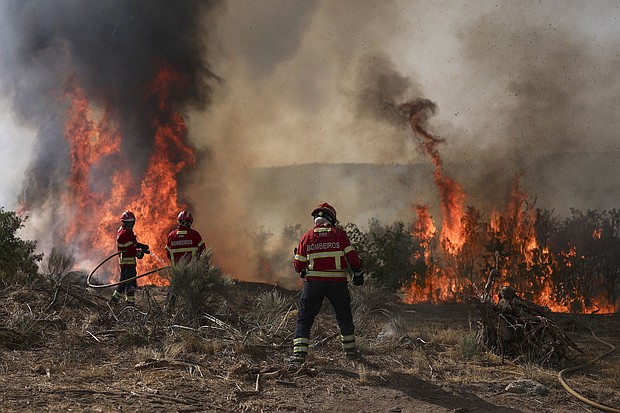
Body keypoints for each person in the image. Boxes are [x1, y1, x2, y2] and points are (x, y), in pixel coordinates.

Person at [291, 202, 365, 363]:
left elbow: (298, 265)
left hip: (313, 284)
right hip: (337, 283)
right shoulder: (340, 234)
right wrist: (358, 274)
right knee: (344, 317)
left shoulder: (307, 236)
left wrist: (302, 267)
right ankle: (351, 353)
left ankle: (298, 356)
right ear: (332, 218)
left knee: (305, 318)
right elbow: (353, 258)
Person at [165, 210, 206, 307]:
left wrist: (176, 263)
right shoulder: (195, 235)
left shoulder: (171, 236)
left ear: (179, 222)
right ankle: (192, 315)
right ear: (190, 222)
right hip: (191, 272)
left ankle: (167, 312)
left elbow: (168, 254)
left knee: (172, 296)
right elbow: (203, 253)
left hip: (177, 271)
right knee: (192, 297)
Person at [110, 211, 149, 306]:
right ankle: (130, 303)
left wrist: (142, 246)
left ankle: (114, 300)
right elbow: (131, 250)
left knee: (123, 282)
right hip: (128, 263)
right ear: (124, 222)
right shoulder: (125, 234)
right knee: (131, 283)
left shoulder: (123, 231)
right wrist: (140, 253)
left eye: (132, 223)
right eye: (129, 223)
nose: (131, 225)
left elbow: (133, 243)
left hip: (124, 263)